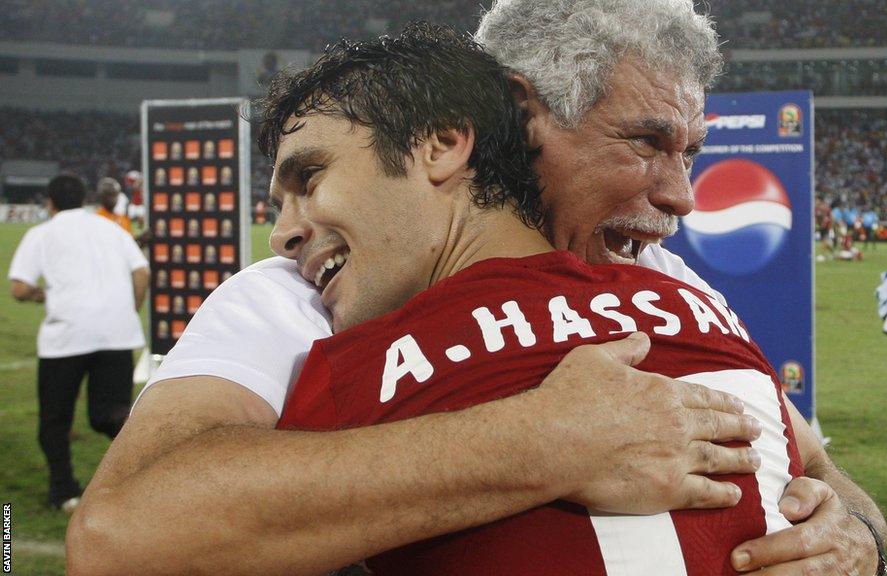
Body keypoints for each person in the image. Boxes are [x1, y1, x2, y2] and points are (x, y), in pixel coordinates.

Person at [68, 2, 885, 574]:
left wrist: (853, 538)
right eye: (646, 141)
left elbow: (816, 467)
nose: (682, 196)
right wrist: (541, 442)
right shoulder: (296, 296)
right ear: (520, 116)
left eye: (690, 153)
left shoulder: (669, 283)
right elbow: (121, 535)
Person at [269, 25, 803, 575]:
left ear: (441, 146)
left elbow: (194, 531)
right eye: (645, 142)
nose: (281, 236)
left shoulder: (357, 370)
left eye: (309, 178)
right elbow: (805, 475)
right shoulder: (708, 316)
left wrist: (857, 522)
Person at [7, 174, 150, 514]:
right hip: (117, 334)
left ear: (49, 202)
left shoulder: (41, 233)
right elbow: (142, 272)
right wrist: (129, 309)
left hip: (66, 338)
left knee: (55, 422)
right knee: (110, 416)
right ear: (85, 197)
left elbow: (19, 288)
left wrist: (43, 294)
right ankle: (142, 478)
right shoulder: (111, 229)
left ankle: (65, 492)